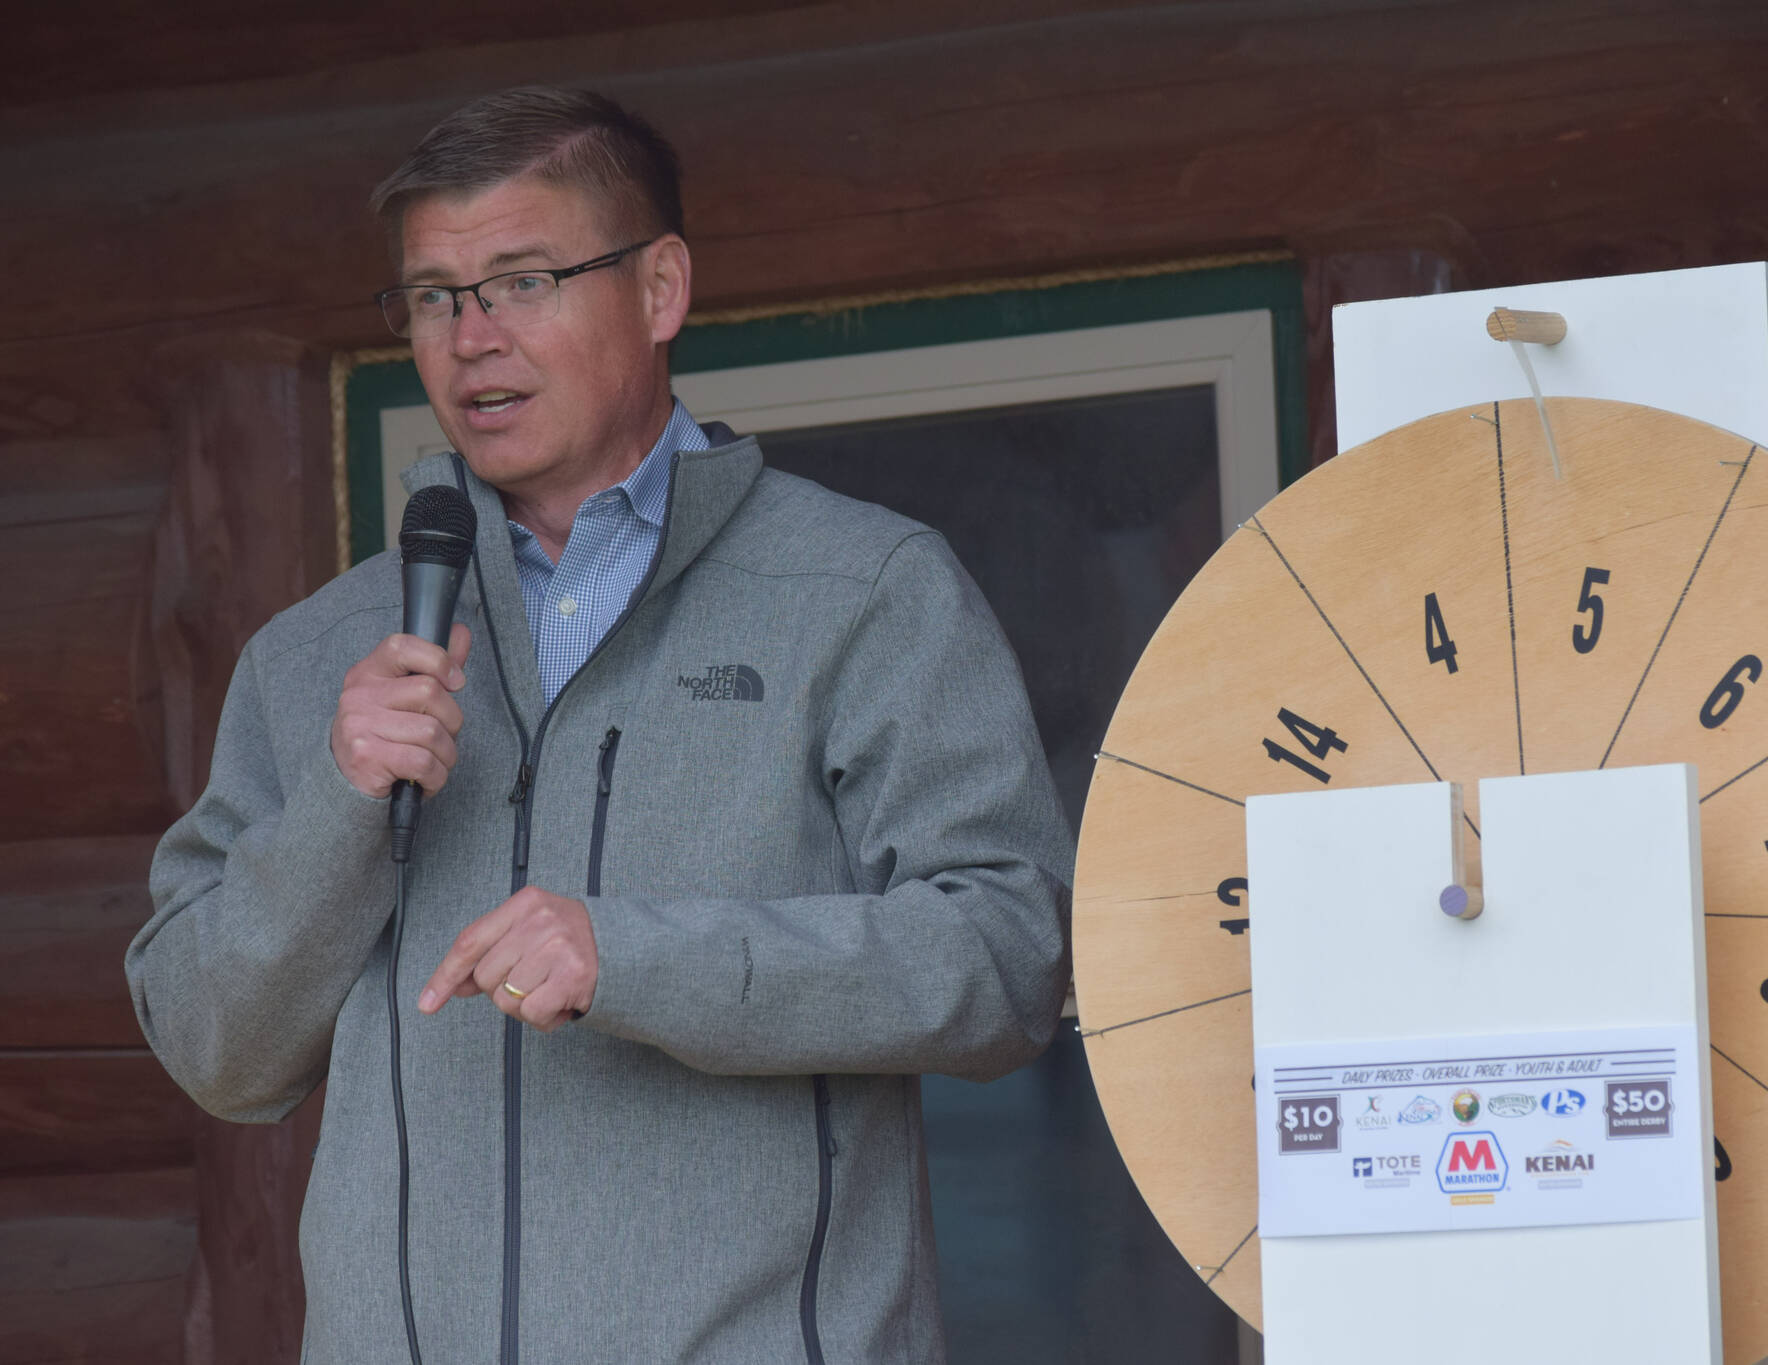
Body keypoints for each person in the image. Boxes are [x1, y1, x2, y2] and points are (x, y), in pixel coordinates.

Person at [126, 86, 1072, 1364]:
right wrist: (337, 807)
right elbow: (215, 1054)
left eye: (523, 280)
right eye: (432, 297)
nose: (471, 340)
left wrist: (634, 959)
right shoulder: (312, 658)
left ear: (659, 288)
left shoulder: (863, 592)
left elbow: (1008, 959)